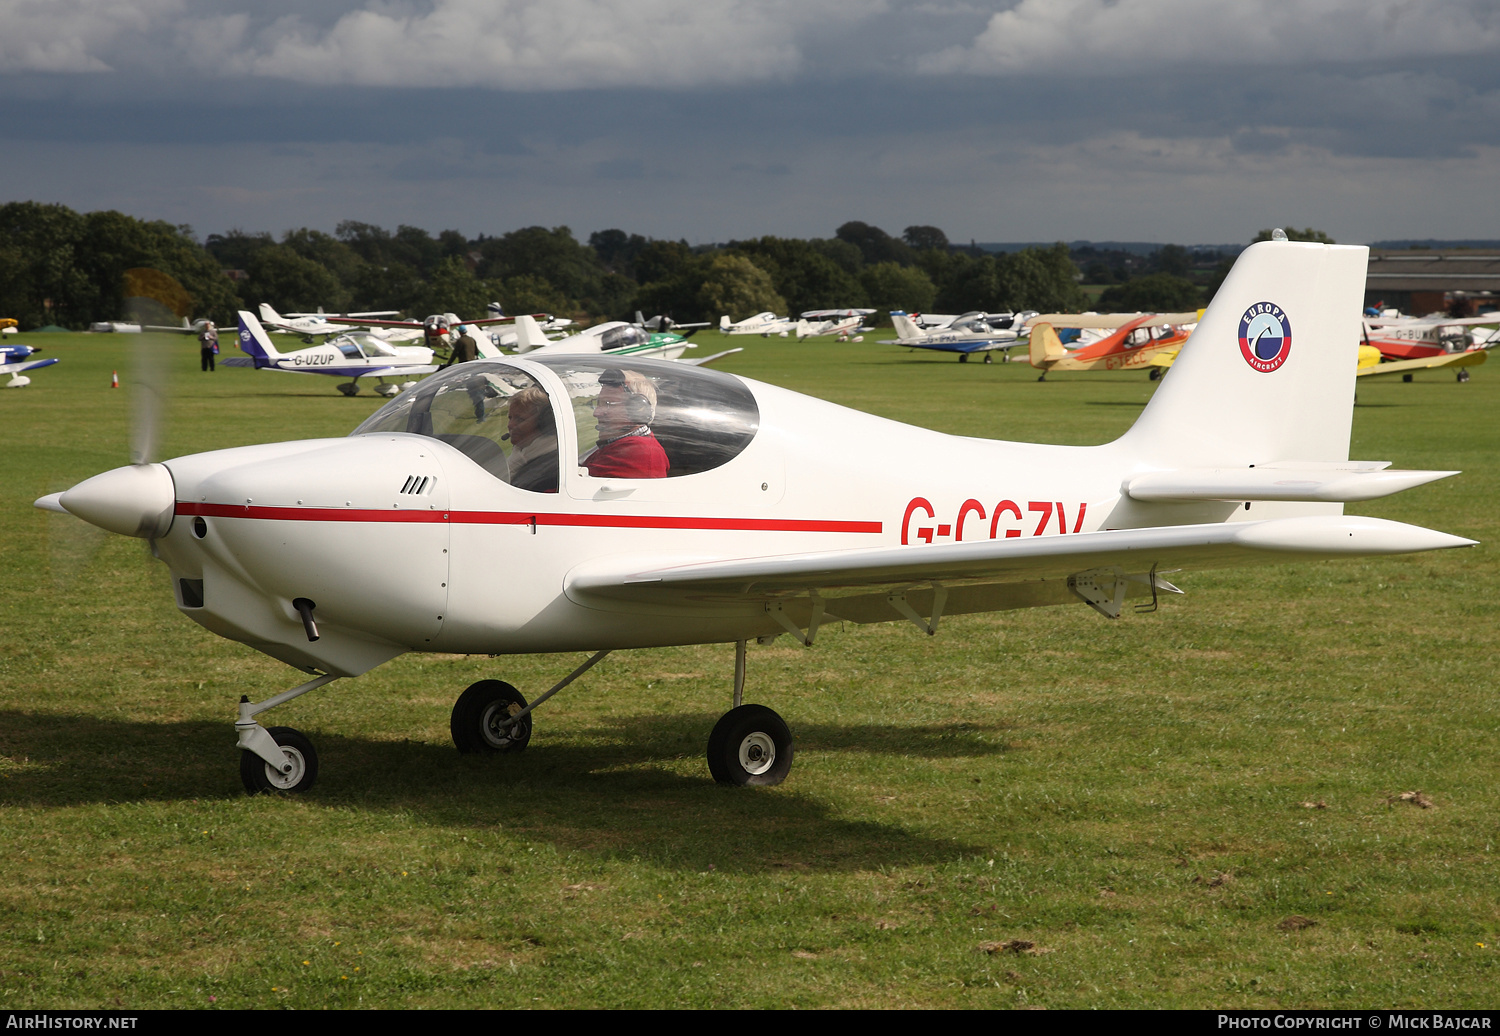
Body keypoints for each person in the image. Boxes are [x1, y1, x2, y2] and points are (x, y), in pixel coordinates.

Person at [581, 367, 669, 479]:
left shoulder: (639, 453)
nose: (596, 413)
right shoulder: (616, 445)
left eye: (607, 404)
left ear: (637, 409)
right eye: (598, 403)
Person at [504, 386, 559, 493]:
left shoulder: (550, 468)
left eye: (520, 419)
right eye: (510, 418)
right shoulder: (522, 454)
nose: (510, 425)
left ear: (544, 423)